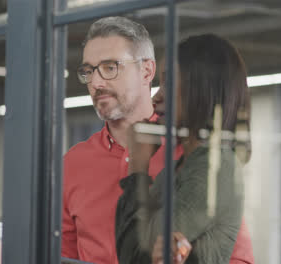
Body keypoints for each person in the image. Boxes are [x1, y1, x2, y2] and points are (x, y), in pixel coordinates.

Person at [62, 16, 254, 264]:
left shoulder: (195, 158)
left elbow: (238, 258)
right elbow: (60, 255)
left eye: (110, 67)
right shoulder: (73, 163)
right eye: (88, 71)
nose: (96, 82)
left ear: (147, 70)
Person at [115, 34, 251, 264]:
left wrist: (138, 165)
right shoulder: (180, 168)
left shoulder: (214, 167)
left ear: (200, 88)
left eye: (168, 82)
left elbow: (135, 257)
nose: (156, 97)